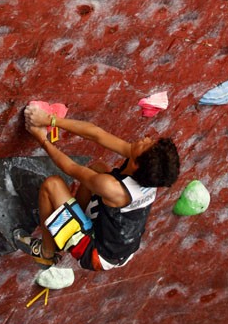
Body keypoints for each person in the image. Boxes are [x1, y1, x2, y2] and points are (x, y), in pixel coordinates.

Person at [13, 104, 180, 271]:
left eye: (147, 144)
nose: (146, 138)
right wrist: (51, 120)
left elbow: (71, 168)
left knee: (52, 185)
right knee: (98, 169)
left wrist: (41, 138)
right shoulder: (148, 171)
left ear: (137, 164)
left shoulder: (113, 188)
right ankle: (68, 218)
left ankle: (47, 253)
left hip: (96, 253)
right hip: (115, 238)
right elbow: (96, 134)